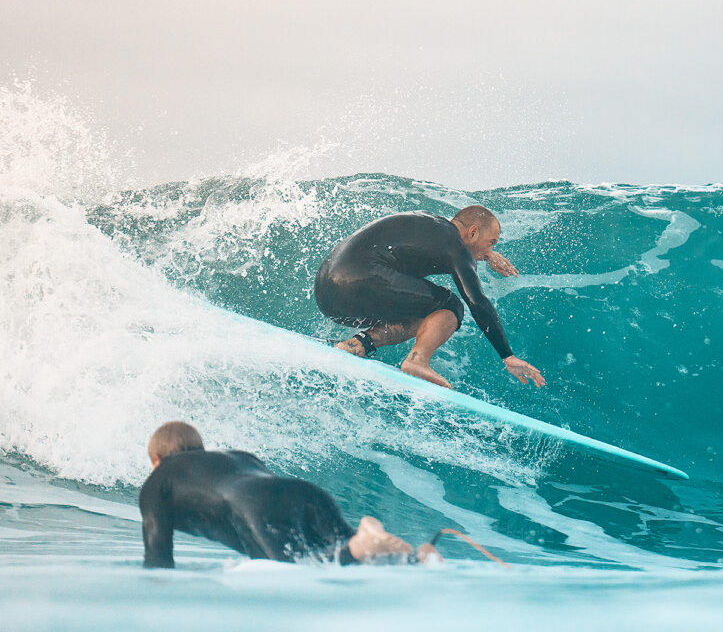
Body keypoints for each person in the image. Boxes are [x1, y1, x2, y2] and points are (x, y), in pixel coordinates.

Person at [139, 421, 441, 569]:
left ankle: (363, 547)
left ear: (156, 459)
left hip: (253, 505)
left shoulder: (159, 480)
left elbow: (158, 557)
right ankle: (417, 558)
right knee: (348, 557)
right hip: (303, 492)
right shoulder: (234, 457)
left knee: (292, 574)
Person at [313, 205, 545, 389]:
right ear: (473, 232)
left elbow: (470, 251)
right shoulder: (456, 246)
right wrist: (507, 356)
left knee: (423, 313)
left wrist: (487, 253)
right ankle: (417, 361)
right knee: (451, 306)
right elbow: (478, 303)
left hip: (329, 292)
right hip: (361, 278)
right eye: (491, 242)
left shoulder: (432, 227)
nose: (490, 251)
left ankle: (357, 344)